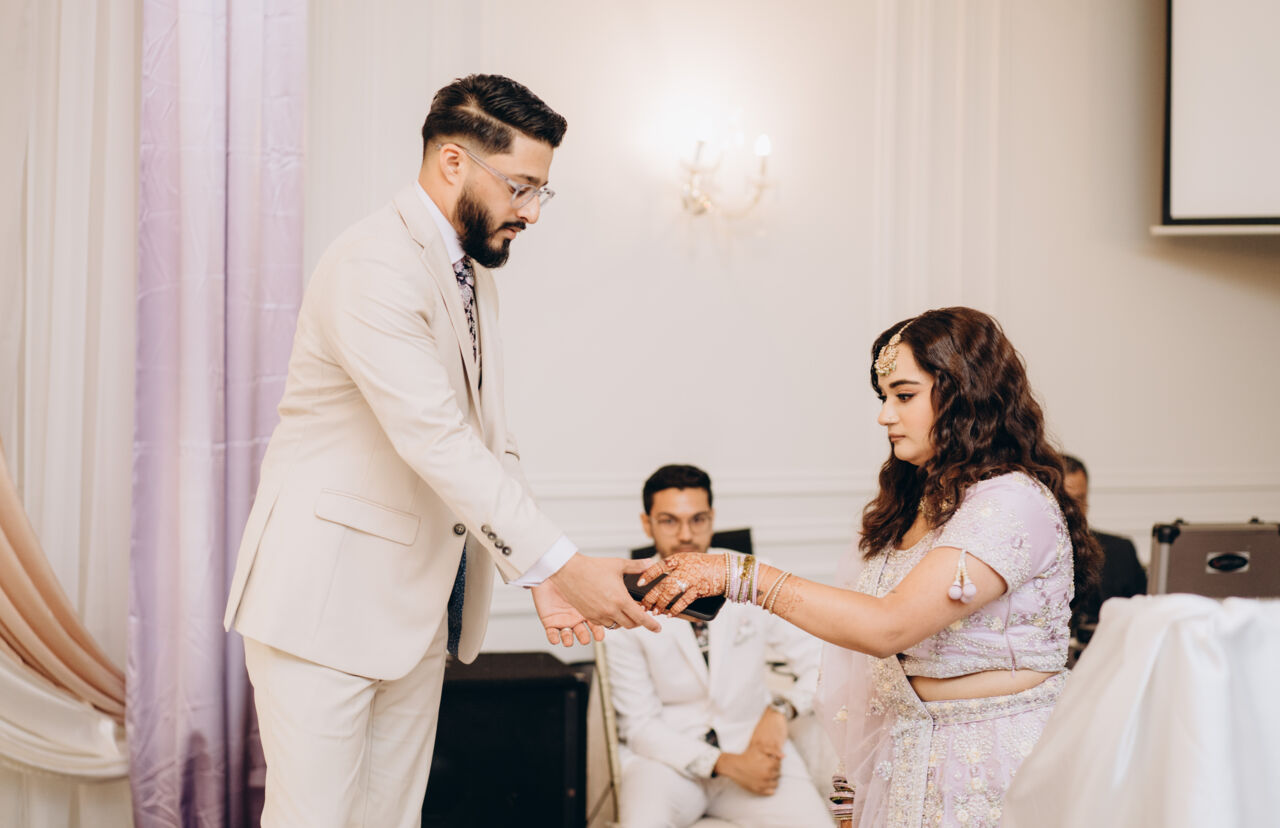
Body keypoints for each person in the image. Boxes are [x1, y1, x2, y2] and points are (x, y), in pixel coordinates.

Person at [222, 74, 659, 828]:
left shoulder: (470, 272)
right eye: (521, 187)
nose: (531, 212)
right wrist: (560, 563)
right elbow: (436, 438)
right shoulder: (372, 265)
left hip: (414, 614)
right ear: (454, 162)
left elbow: (491, 439)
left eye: (541, 192)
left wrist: (539, 577)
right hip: (322, 609)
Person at [637, 307, 1102, 827]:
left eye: (904, 396)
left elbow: (888, 627)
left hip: (992, 766)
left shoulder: (1011, 501)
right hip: (906, 757)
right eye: (884, 398)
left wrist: (740, 576)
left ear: (963, 394)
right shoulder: (917, 502)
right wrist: (852, 783)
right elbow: (864, 660)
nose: (885, 416)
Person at [605, 465, 831, 828]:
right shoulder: (622, 598)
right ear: (647, 524)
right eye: (669, 521)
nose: (685, 535)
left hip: (754, 748)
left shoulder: (751, 573)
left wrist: (780, 711)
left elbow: (823, 661)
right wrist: (725, 764)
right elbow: (639, 725)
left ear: (712, 518)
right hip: (665, 763)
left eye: (698, 519)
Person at [1061, 454, 1147, 645]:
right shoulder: (1029, 555)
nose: (1073, 510)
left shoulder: (1121, 551)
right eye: (1065, 501)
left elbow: (1144, 619)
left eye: (1079, 499)